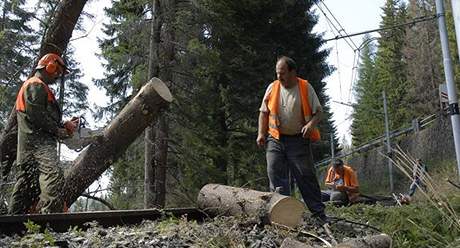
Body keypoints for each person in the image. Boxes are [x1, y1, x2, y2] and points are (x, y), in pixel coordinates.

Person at [256, 56, 327, 222]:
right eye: (277, 73)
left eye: (282, 73)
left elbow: (319, 112)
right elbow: (263, 112)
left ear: (292, 72)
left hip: (298, 140)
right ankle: (282, 216)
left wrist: (310, 125)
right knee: (275, 173)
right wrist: (260, 133)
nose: (279, 77)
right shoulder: (272, 88)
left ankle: (318, 214)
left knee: (305, 176)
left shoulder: (304, 87)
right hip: (275, 139)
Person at [9, 53, 79, 214]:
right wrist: (59, 131)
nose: (57, 76)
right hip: (38, 144)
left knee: (26, 185)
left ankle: (12, 224)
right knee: (53, 176)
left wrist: (63, 124)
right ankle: (50, 220)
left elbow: (39, 115)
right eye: (57, 71)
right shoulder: (36, 85)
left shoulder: (36, 86)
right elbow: (37, 116)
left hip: (28, 145)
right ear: (50, 66)